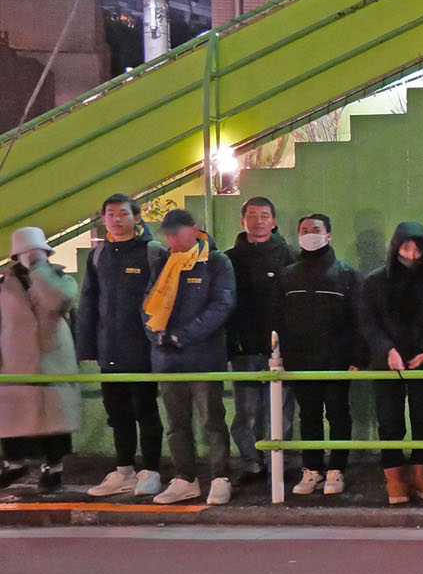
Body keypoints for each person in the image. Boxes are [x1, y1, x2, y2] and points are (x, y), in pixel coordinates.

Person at [143, 208, 236, 506]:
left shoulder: (216, 262)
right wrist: (155, 335)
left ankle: (220, 477)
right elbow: (147, 305)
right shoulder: (162, 263)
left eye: (177, 231)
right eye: (167, 233)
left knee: (212, 419)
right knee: (175, 422)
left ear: (194, 230)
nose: (171, 238)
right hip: (167, 359)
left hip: (203, 358)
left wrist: (183, 335)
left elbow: (222, 306)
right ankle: (185, 478)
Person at [75, 194, 166, 498]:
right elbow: (88, 301)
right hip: (108, 350)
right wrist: (87, 347)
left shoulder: (152, 253)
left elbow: (164, 300)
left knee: (146, 410)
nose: (116, 219)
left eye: (123, 213)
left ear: (137, 218)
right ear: (103, 219)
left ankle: (151, 470)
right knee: (117, 413)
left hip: (143, 349)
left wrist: (160, 344)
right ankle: (124, 470)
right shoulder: (98, 254)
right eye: (110, 214)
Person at [359, 221, 423, 506]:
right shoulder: (374, 281)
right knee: (389, 420)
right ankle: (394, 477)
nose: (411, 255)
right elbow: (368, 322)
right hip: (386, 362)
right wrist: (387, 351)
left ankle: (422, 474)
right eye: (405, 247)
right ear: (395, 247)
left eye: (417, 249)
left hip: (422, 361)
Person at [273, 214, 361, 497]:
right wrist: (282, 356)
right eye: (305, 230)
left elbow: (359, 320)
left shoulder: (346, 274)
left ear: (329, 235)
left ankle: (337, 470)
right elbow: (279, 321)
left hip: (337, 360)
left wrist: (358, 358)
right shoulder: (288, 275)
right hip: (300, 360)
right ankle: (311, 470)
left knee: (337, 413)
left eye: (316, 230)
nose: (310, 234)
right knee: (308, 415)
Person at [0, 228, 82, 492]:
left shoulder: (60, 279)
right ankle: (14, 463)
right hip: (15, 361)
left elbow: (57, 301)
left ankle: (54, 468)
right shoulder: (3, 286)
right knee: (15, 419)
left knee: (55, 419)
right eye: (26, 253)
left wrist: (39, 270)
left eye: (37, 252)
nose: (31, 257)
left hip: (54, 359)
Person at [226, 195, 294, 480]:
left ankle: (281, 464)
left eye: (265, 215)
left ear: (274, 221)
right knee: (245, 412)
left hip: (280, 349)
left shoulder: (289, 256)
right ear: (243, 221)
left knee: (282, 412)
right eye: (252, 215)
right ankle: (251, 463)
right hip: (244, 348)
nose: (258, 221)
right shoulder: (228, 259)